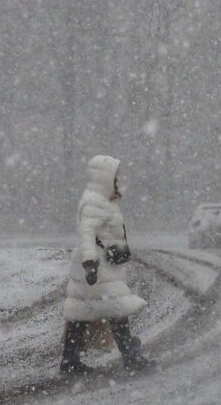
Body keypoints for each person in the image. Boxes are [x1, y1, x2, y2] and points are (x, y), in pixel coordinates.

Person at [60, 154, 149, 374]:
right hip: (97, 268)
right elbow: (87, 232)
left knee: (83, 312)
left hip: (99, 266)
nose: (119, 180)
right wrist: (90, 262)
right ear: (106, 178)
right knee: (116, 309)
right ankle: (131, 357)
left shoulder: (100, 200)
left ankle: (70, 361)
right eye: (116, 176)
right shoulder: (95, 202)